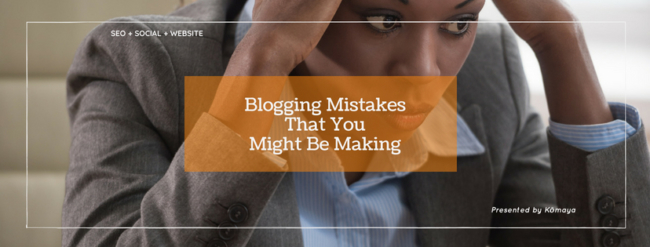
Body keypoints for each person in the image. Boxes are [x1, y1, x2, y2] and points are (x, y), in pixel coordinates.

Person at [63, 0, 650, 246]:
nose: (423, 73)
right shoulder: (139, 62)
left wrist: (559, 42)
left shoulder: (486, 76)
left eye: (457, 23)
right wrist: (263, 61)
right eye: (383, 20)